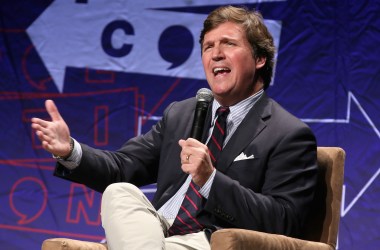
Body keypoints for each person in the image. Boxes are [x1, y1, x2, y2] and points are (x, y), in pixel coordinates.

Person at [31, 5, 318, 250]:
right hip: (154, 234)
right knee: (119, 191)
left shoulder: (287, 134)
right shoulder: (182, 114)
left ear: (259, 58)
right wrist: (70, 151)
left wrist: (210, 180)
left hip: (208, 240)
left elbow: (283, 220)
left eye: (229, 44)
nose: (215, 54)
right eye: (208, 47)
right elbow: (123, 166)